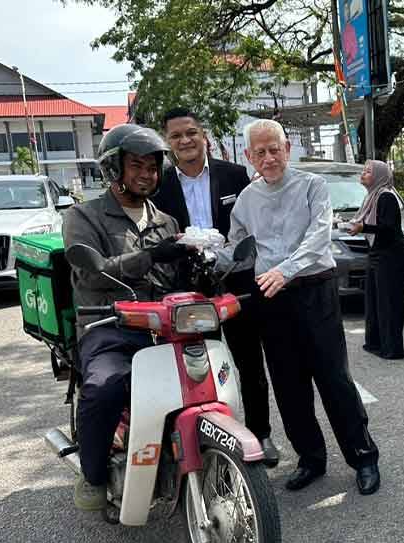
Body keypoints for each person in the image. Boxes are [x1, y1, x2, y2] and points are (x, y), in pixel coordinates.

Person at [223, 119, 381, 495]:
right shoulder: (246, 198)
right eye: (259, 152)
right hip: (272, 297)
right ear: (248, 157)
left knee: (334, 379)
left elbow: (318, 236)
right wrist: (205, 251)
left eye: (275, 148)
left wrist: (285, 269)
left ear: (288, 149)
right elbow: (236, 245)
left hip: (314, 289)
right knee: (288, 385)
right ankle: (310, 458)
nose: (269, 157)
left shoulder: (313, 186)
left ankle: (363, 457)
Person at [63, 123, 195, 511]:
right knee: (105, 387)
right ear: (113, 168)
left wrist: (200, 263)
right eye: (137, 165)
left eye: (153, 167)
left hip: (164, 327)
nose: (147, 174)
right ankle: (93, 475)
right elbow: (91, 272)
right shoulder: (83, 216)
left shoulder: (166, 222)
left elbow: (173, 281)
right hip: (109, 326)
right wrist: (151, 256)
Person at [151, 108, 279, 467]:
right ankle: (197, 444)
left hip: (235, 284)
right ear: (168, 142)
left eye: (191, 132)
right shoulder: (160, 186)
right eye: (176, 136)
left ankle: (260, 434)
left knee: (250, 365)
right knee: (192, 370)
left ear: (203, 133)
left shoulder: (235, 175)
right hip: (186, 292)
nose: (185, 140)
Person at [348, 159, 404, 360]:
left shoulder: (386, 197)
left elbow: (389, 229)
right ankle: (376, 342)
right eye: (363, 170)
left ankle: (391, 347)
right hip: (376, 253)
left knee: (387, 302)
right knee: (373, 300)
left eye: (368, 171)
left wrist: (363, 228)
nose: (363, 174)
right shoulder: (372, 196)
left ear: (380, 176)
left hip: (389, 256)